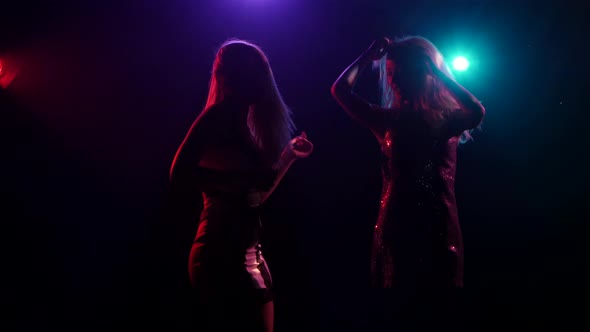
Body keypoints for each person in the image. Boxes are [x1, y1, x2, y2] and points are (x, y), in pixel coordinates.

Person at [331, 36, 485, 331]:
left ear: (421, 74)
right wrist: (366, 57)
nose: (395, 80)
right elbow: (340, 91)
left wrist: (436, 72)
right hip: (396, 225)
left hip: (438, 226)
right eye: (390, 74)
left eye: (401, 73)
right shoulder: (387, 120)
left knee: (438, 307)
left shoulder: (446, 119)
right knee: (398, 309)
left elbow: (476, 111)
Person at [170, 39, 313, 332]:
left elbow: (254, 196)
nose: (263, 80)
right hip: (219, 253)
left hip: (250, 253)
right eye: (255, 72)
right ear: (234, 77)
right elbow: (178, 174)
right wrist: (239, 181)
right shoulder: (216, 118)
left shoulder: (244, 122)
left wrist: (287, 156)